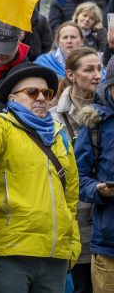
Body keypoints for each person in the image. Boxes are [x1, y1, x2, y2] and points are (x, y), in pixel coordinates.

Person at [0, 62, 80, 293]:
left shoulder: (60, 136)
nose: (41, 98)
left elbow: (71, 199)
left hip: (55, 255)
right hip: (10, 252)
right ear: (12, 98)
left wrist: (72, 247)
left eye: (47, 93)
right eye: (32, 92)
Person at [50, 47, 104, 292]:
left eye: (99, 69)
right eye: (89, 69)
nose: (97, 75)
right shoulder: (53, 117)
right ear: (71, 75)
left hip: (104, 211)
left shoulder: (108, 110)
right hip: (71, 214)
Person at [76, 63, 114, 292]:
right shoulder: (95, 124)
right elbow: (77, 178)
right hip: (109, 246)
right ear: (109, 87)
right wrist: (97, 189)